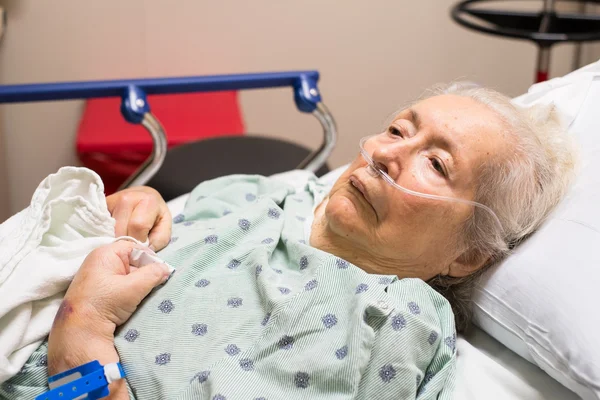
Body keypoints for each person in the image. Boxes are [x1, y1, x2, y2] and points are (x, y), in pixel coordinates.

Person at [3, 83, 576, 399]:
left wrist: (81, 335)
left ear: (468, 253)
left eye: (435, 161)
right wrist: (132, 213)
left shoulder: (388, 323)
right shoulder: (259, 195)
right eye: (400, 128)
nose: (384, 152)